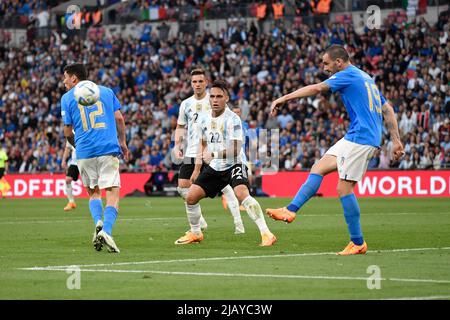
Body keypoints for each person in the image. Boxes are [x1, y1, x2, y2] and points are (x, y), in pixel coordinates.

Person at [266, 45, 404, 255]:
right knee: (318, 167)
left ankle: (357, 243)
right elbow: (387, 109)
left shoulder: (347, 75)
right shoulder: (366, 78)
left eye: (326, 63)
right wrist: (396, 141)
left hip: (362, 138)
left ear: (338, 62)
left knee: (344, 188)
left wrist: (283, 98)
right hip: (355, 135)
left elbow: (316, 88)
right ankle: (290, 210)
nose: (324, 67)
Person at [174, 80, 276, 246]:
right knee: (191, 197)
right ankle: (195, 233)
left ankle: (266, 233)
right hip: (216, 167)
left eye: (219, 96)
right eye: (212, 96)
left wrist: (213, 154)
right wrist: (197, 169)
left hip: (235, 164)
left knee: (241, 193)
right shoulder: (204, 119)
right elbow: (202, 143)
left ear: (226, 98)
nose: (215, 100)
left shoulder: (233, 119)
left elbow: (236, 149)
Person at [61, 63, 129, 253]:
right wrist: (122, 142)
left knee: (93, 193)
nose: (64, 81)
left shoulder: (67, 98)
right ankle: (106, 230)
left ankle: (98, 222)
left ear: (74, 78)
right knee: (113, 192)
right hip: (108, 148)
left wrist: (78, 146)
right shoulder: (106, 91)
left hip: (84, 152)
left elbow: (67, 131)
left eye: (65, 77)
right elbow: (119, 119)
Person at [173, 68, 245, 235]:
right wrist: (177, 145)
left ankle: (238, 223)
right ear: (191, 84)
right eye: (194, 82)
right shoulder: (186, 104)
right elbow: (180, 126)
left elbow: (227, 118)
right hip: (193, 151)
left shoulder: (214, 98)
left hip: (212, 150)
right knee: (183, 188)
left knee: (226, 187)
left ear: (206, 83)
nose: (197, 84)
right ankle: (201, 223)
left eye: (200, 81)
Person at [61, 141, 79, 211]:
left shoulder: (87, 130)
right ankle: (71, 202)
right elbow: (67, 148)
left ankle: (96, 200)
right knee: (67, 180)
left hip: (86, 161)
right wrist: (63, 160)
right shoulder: (71, 133)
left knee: (90, 184)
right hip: (74, 162)